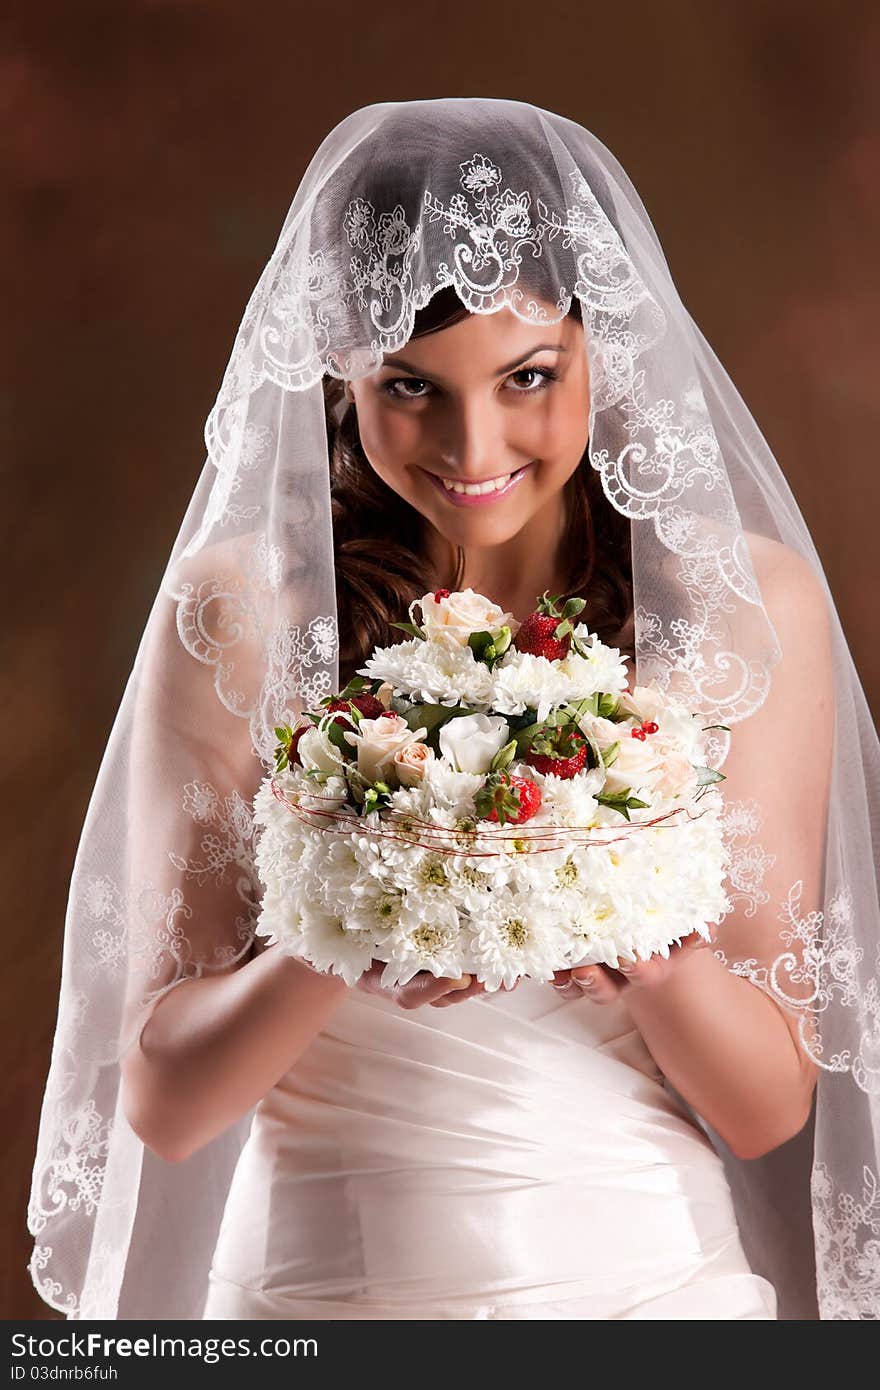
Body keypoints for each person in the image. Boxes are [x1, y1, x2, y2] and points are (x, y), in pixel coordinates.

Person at [26, 98, 880, 1321]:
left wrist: (629, 938)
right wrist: (341, 936)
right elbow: (164, 1099)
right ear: (339, 367)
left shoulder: (743, 613)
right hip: (315, 1297)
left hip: (645, 1288)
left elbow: (767, 1105)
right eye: (410, 387)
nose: (473, 443)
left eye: (530, 375)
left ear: (606, 346)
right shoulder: (245, 614)